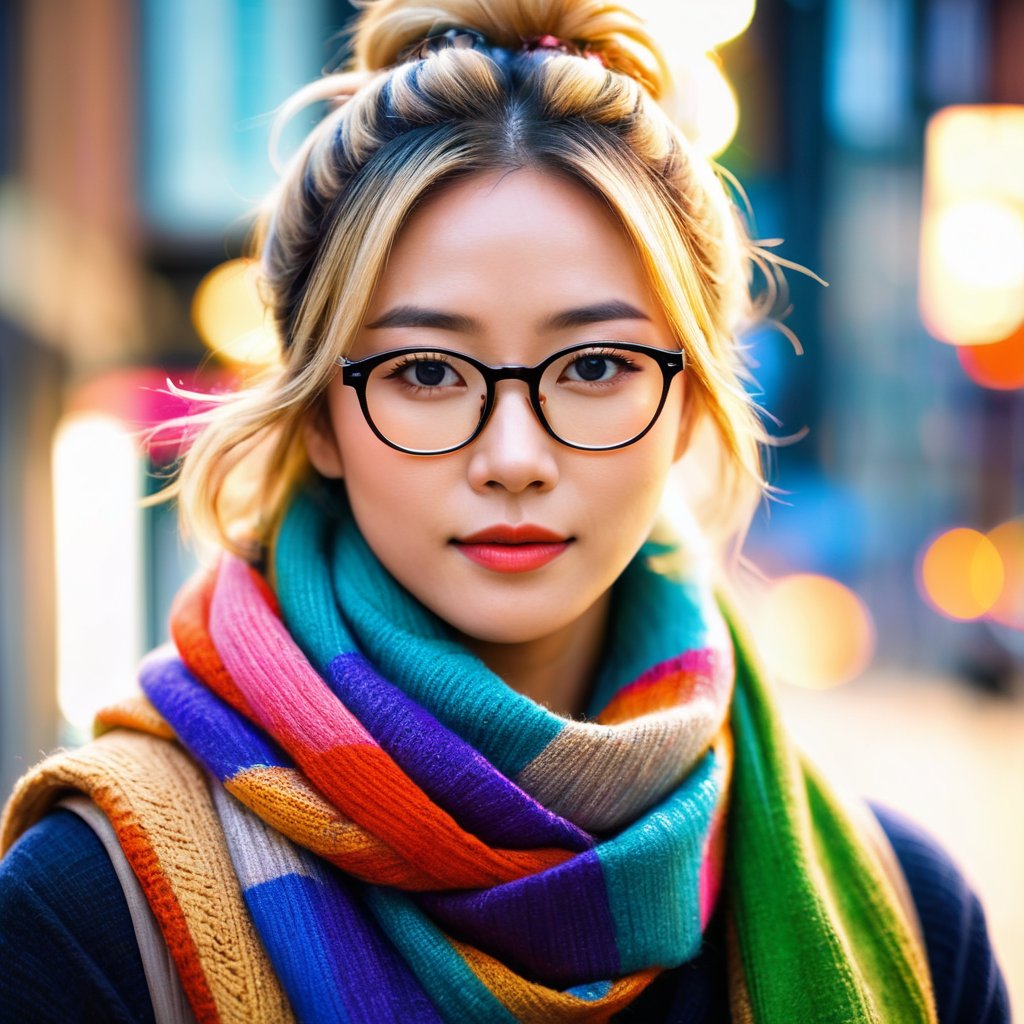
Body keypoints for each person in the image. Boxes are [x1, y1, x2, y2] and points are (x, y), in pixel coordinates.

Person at [0, 1, 1011, 1021]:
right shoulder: (90, 909)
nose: (516, 457)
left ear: (691, 403)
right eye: (429, 370)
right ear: (318, 416)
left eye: (597, 366)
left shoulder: (912, 920)